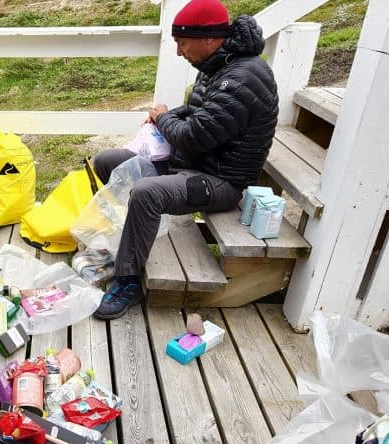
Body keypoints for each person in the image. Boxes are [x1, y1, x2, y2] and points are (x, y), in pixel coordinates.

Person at [92, 0, 278, 320]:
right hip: (189, 164)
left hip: (219, 181)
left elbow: (193, 136)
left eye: (182, 43)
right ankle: (126, 240)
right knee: (108, 161)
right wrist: (164, 117)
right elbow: (194, 110)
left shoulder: (244, 78)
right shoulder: (217, 64)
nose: (179, 52)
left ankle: (128, 281)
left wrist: (163, 118)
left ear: (208, 38)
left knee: (147, 193)